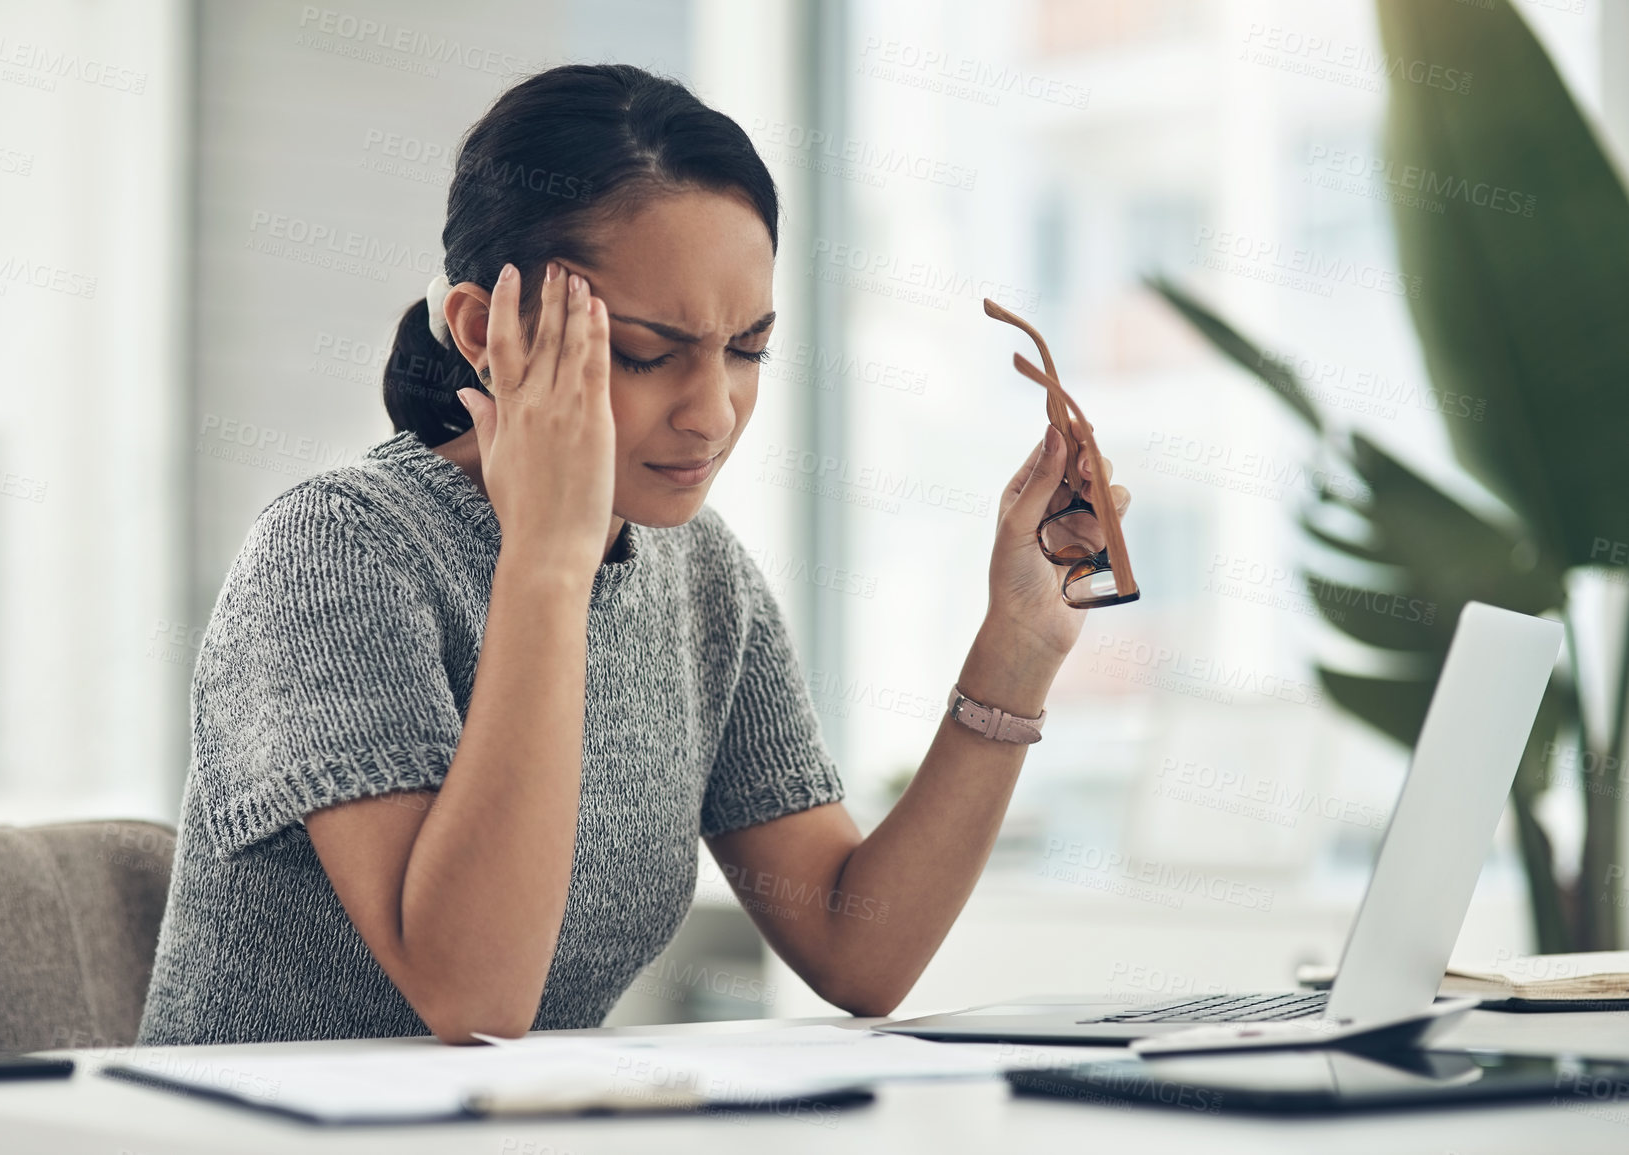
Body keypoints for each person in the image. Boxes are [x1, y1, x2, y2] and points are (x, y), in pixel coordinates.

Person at [136, 62, 1128, 1047]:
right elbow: (472, 999)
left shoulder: (699, 573)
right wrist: (549, 561)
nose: (712, 412)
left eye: (747, 350)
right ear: (486, 331)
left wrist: (1019, 645)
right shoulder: (336, 552)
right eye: (647, 353)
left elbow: (856, 950)